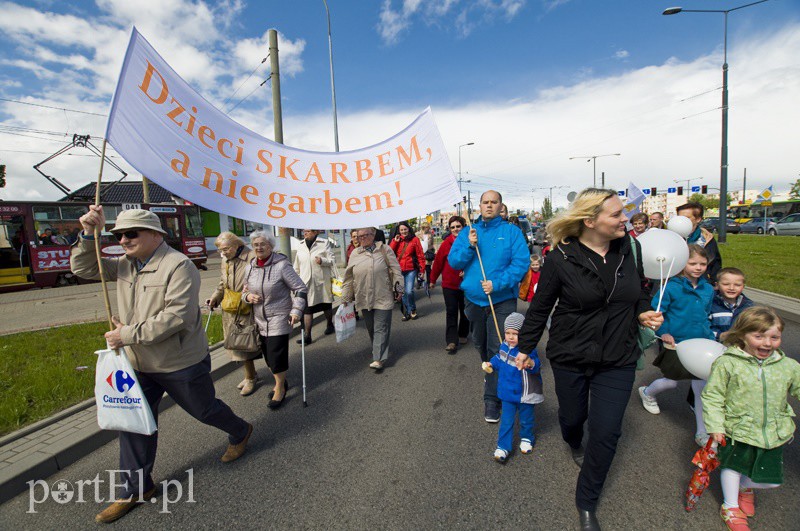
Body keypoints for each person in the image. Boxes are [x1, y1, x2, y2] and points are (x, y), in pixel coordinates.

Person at [71, 207, 252, 523]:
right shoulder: (126, 266)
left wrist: (125, 334)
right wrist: (89, 234)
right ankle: (136, 488)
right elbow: (85, 268)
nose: (123, 239)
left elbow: (176, 317)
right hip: (137, 363)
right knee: (135, 424)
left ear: (156, 235)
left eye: (131, 233)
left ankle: (240, 430)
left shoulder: (178, 265)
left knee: (204, 409)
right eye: (118, 235)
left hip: (178, 362)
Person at [515, 188, 663, 531]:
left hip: (618, 356)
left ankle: (586, 501)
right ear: (590, 221)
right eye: (616, 214)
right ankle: (572, 439)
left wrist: (643, 313)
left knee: (607, 430)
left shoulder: (629, 248)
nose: (625, 218)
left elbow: (639, 292)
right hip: (571, 355)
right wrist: (525, 348)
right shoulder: (560, 258)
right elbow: (540, 308)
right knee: (572, 418)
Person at [702, 306, 800, 531]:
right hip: (738, 428)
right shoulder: (728, 363)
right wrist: (716, 425)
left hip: (774, 431)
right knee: (733, 466)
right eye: (759, 336)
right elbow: (713, 395)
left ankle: (745, 487)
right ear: (742, 335)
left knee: (771, 480)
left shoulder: (788, 366)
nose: (767, 343)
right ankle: (730, 506)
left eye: (774, 337)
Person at [448, 190, 529, 423]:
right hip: (474, 300)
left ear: (501, 206)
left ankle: (492, 399)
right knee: (480, 343)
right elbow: (454, 262)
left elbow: (521, 264)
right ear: (479, 206)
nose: (489, 206)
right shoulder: (468, 232)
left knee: (497, 347)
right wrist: (469, 246)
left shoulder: (512, 232)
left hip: (501, 300)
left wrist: (498, 283)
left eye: (494, 202)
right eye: (485, 202)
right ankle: (490, 370)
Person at [638, 245, 715, 446]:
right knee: (672, 381)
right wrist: (663, 332)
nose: (698, 268)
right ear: (682, 264)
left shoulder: (708, 288)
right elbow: (657, 312)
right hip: (676, 343)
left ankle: (702, 432)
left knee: (701, 388)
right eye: (693, 263)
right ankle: (647, 392)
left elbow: (707, 314)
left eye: (703, 264)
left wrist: (711, 336)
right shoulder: (671, 287)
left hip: (702, 342)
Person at [243, 231, 307, 410]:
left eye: (263, 244)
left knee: (276, 355)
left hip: (279, 316)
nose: (259, 248)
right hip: (260, 319)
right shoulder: (250, 268)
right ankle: (281, 380)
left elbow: (300, 288)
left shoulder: (282, 265)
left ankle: (279, 388)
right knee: (268, 357)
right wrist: (248, 297)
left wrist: (296, 310)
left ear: (271, 246)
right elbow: (244, 291)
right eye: (255, 245)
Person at [481, 313, 543, 464]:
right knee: (507, 421)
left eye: (515, 334)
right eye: (507, 333)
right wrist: (491, 363)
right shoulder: (504, 346)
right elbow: (499, 358)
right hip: (507, 392)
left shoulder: (527, 350)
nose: (510, 337)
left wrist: (530, 364)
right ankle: (503, 446)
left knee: (526, 418)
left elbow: (536, 365)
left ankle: (527, 437)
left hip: (524, 394)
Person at [205, 232, 259, 396]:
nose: (223, 253)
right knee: (238, 343)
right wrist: (215, 298)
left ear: (236, 245)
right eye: (221, 250)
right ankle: (250, 375)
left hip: (248, 307)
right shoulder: (225, 259)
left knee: (246, 342)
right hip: (230, 307)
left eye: (226, 249)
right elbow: (223, 283)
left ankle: (257, 377)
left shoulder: (252, 257)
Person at [341, 227, 403, 371]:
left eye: (364, 235)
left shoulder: (385, 250)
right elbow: (348, 277)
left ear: (373, 235)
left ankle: (378, 358)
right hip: (363, 296)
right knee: (371, 327)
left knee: (381, 326)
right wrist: (346, 296)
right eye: (358, 236)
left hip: (383, 295)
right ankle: (378, 348)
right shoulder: (355, 254)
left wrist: (399, 289)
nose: (360, 238)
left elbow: (396, 271)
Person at [429, 215, 469, 353]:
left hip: (467, 284)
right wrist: (432, 280)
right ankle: (451, 341)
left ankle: (463, 333)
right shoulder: (446, 244)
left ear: (463, 227)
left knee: (465, 311)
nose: (456, 229)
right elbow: (438, 263)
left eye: (458, 226)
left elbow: (477, 262)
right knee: (451, 312)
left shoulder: (470, 242)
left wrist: (468, 272)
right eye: (453, 227)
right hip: (449, 285)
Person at [293, 229, 336, 344]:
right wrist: (295, 282)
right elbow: (296, 266)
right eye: (304, 231)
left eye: (308, 231)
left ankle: (329, 324)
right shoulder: (300, 245)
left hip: (321, 282)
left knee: (326, 305)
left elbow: (332, 260)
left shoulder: (324, 243)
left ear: (316, 232)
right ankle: (307, 336)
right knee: (307, 309)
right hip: (305, 283)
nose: (304, 233)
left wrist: (322, 260)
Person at [677, 201, 722, 283]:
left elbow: (714, 264)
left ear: (698, 219)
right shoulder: (670, 237)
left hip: (699, 284)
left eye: (686, 218)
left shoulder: (706, 239)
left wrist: (714, 282)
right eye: (680, 218)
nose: (682, 221)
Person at [389, 221, 426, 321]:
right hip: (399, 269)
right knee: (402, 292)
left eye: (405, 229)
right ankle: (407, 312)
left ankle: (412, 309)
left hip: (411, 269)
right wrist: (395, 242)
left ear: (408, 229)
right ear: (399, 231)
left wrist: (422, 270)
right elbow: (390, 253)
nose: (403, 231)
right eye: (401, 230)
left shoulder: (415, 240)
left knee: (409, 291)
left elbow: (420, 256)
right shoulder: (397, 240)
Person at [710, 267, 754, 339]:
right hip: (715, 344)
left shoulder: (748, 306)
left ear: (743, 286)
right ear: (717, 285)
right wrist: (719, 335)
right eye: (726, 284)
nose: (731, 288)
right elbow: (703, 327)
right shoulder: (711, 304)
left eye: (737, 285)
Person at [417, 222, 435, 288]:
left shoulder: (430, 234)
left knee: (428, 269)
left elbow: (432, 243)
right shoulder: (417, 234)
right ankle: (419, 282)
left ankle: (428, 282)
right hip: (420, 254)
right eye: (425, 227)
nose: (426, 229)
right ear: (422, 227)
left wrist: (432, 250)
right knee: (420, 269)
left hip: (428, 253)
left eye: (428, 227)